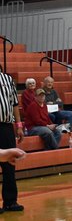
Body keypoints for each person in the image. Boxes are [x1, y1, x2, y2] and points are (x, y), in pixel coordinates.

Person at [0, 66, 24, 213]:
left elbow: (15, 104)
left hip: (7, 127)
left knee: (10, 163)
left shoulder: (8, 79)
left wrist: (19, 126)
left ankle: (10, 201)